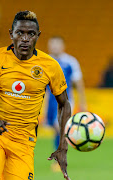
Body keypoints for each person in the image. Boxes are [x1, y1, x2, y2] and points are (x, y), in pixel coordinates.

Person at [0, 11, 71, 180]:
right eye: (20, 33)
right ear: (11, 34)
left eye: (31, 34)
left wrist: (63, 145)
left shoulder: (50, 66)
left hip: (24, 141)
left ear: (38, 36)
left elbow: (64, 104)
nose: (25, 39)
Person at [47, 36, 87, 170]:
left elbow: (78, 82)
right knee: (56, 130)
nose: (55, 47)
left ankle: (59, 159)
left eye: (57, 44)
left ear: (63, 46)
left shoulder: (70, 61)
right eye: (52, 45)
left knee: (59, 127)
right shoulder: (45, 61)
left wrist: (83, 102)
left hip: (65, 100)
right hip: (50, 101)